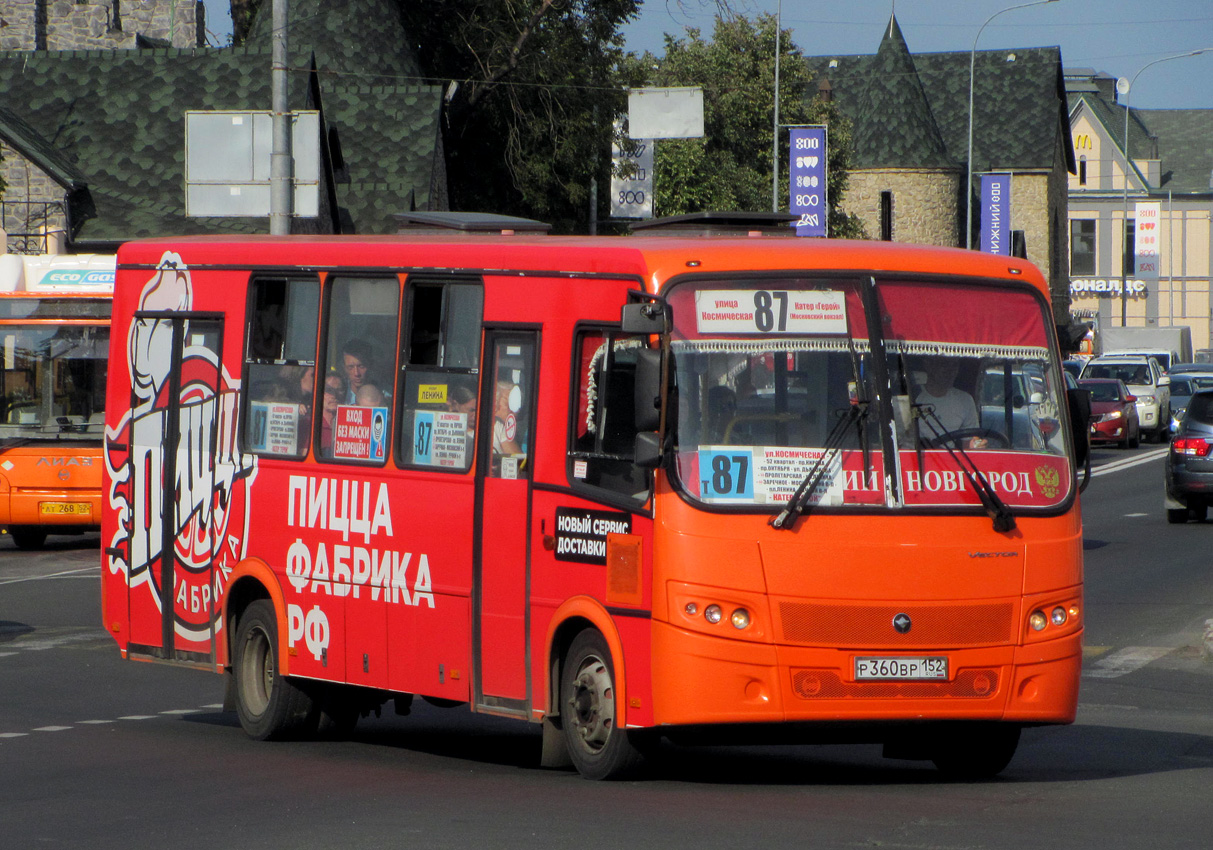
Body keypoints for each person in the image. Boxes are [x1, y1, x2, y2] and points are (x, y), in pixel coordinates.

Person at [914, 356, 984, 446]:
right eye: (944, 364)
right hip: (917, 458)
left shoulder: (965, 400)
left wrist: (978, 444)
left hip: (951, 459)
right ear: (928, 365)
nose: (950, 371)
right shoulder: (913, 398)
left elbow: (971, 440)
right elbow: (902, 438)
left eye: (954, 365)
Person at [341, 339, 381, 404]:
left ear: (371, 365)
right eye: (350, 367)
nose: (356, 373)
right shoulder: (339, 397)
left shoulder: (384, 396)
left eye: (361, 366)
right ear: (344, 368)